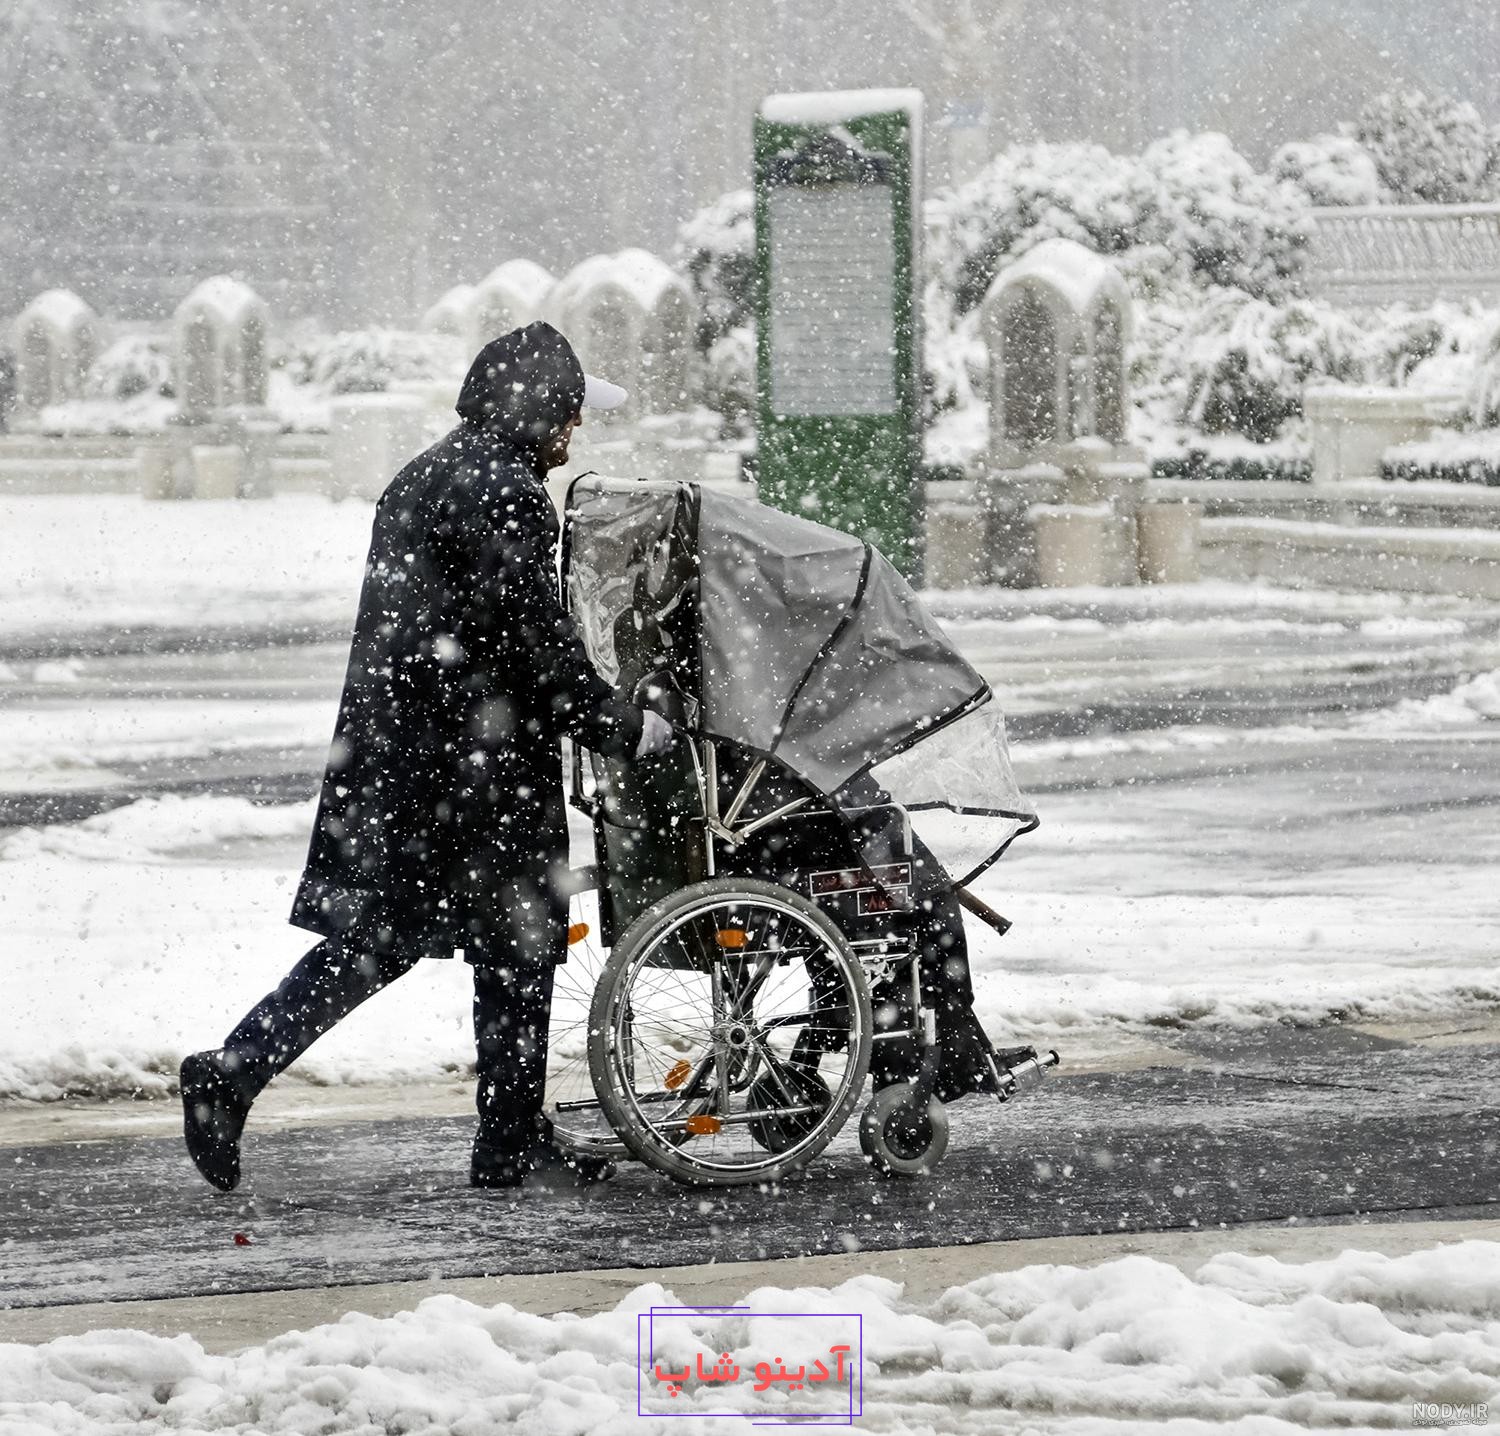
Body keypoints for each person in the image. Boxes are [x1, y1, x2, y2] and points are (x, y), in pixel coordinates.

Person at [180, 322, 673, 1194]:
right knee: (507, 942)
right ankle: (245, 1075)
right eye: (568, 416)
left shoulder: (431, 471)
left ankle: (493, 1133)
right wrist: (620, 725)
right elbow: (532, 647)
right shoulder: (506, 493)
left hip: (412, 759)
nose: (574, 436)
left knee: (422, 939)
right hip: (471, 767)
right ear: (536, 413)